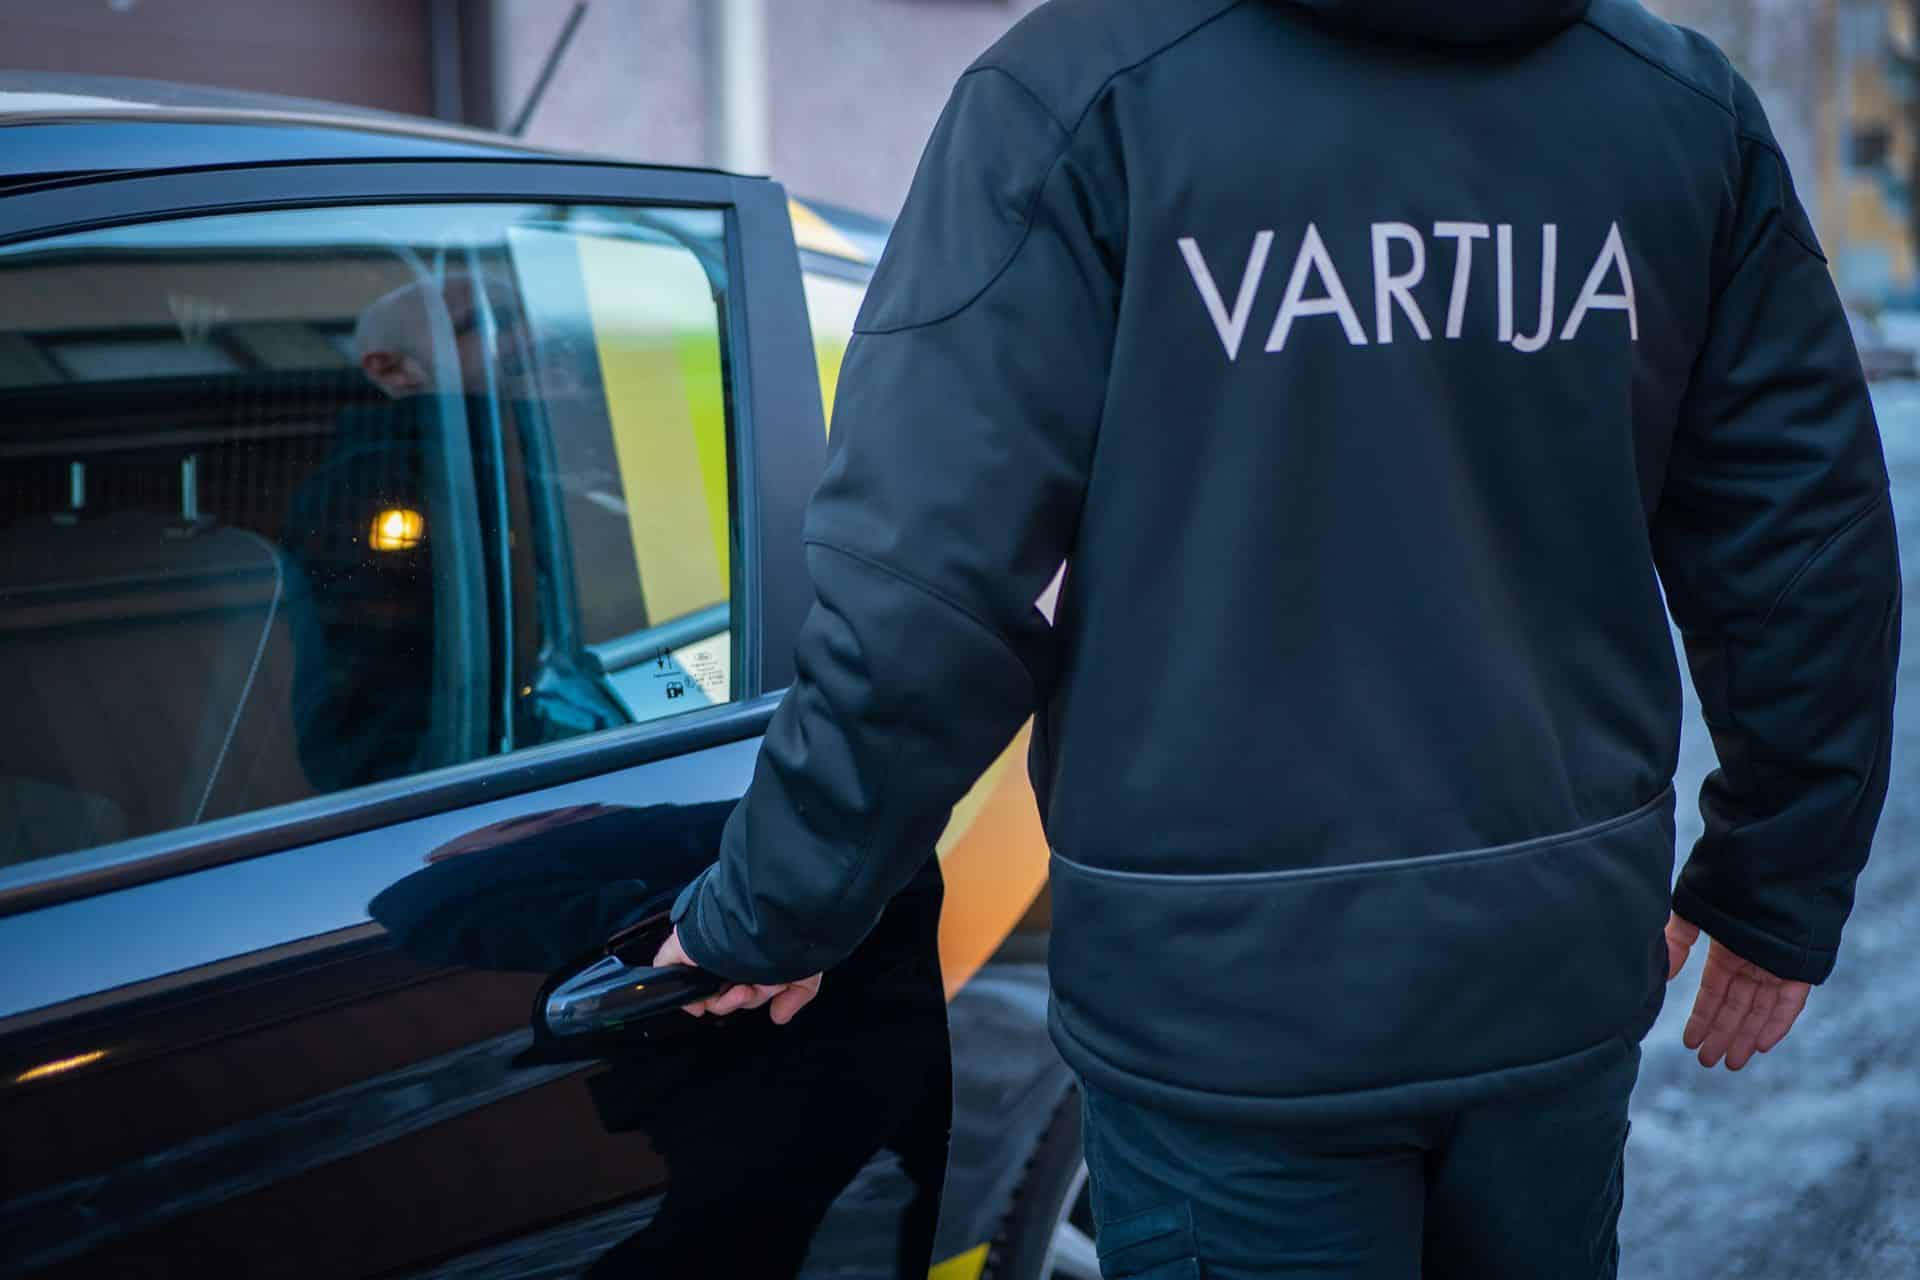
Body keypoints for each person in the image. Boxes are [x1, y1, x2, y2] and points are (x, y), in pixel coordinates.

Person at [655, 1, 1902, 1275]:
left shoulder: (1085, 91)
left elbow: (926, 580)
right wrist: (1776, 878)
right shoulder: (1673, 107)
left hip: (1224, 1009)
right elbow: (1802, 540)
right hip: (1544, 968)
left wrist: (782, 902)